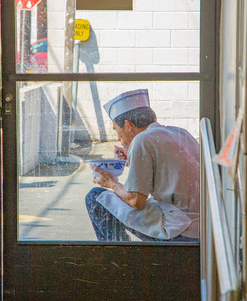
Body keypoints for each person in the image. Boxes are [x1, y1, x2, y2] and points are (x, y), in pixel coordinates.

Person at [85, 89, 200, 242]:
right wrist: (131, 157)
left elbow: (136, 201)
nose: (119, 138)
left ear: (127, 125)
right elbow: (167, 169)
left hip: (179, 227)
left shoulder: (142, 140)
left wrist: (110, 182)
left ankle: (119, 258)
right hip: (202, 225)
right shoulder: (180, 133)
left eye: (117, 130)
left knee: (95, 197)